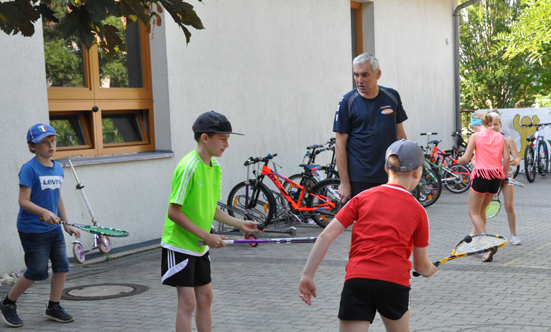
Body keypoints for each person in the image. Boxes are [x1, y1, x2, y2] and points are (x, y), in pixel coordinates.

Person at [298, 139, 437, 332]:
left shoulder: (362, 198)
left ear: (386, 168)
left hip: (357, 279)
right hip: (394, 283)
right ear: (418, 171)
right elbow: (420, 266)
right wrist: (429, 270)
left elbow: (325, 236)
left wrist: (307, 275)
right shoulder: (419, 211)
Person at [161, 111, 261, 332]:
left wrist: (240, 224)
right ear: (205, 138)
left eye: (228, 139)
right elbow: (173, 212)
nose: (227, 144)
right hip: (179, 244)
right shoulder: (188, 167)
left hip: (199, 245)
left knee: (205, 298)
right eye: (223, 139)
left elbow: (210, 208)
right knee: (188, 303)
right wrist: (207, 236)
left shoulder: (215, 167)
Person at [0, 123, 81, 328]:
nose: (50, 145)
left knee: (62, 267)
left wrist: (66, 223)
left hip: (54, 229)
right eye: (44, 142)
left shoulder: (58, 168)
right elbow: (23, 201)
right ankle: (7, 304)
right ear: (32, 147)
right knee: (36, 271)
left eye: (52, 141)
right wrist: (44, 212)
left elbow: (57, 198)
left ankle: (53, 306)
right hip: (33, 230)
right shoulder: (29, 169)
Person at [333, 52, 408, 203]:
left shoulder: (392, 96)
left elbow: (401, 137)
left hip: (389, 175)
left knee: (390, 222)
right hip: (360, 178)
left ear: (377, 74)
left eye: (365, 75)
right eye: (356, 75)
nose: (359, 80)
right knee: (365, 224)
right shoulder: (347, 101)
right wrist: (344, 183)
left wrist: (405, 172)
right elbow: (340, 145)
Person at [458, 112, 510, 262]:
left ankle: (489, 244)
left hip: (481, 175)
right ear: (488, 123)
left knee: (473, 212)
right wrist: (504, 177)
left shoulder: (476, 136)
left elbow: (467, 158)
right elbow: (506, 158)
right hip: (495, 177)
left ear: (476, 126)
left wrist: (459, 160)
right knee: (481, 211)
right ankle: (478, 243)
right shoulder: (500, 137)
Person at [487, 110, 522, 245]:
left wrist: (516, 161)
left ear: (500, 125)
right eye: (490, 125)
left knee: (509, 206)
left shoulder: (508, 140)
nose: (493, 127)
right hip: (490, 176)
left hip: (507, 176)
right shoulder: (485, 140)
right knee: (482, 208)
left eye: (495, 124)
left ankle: (513, 235)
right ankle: (481, 236)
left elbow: (517, 158)